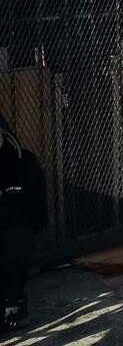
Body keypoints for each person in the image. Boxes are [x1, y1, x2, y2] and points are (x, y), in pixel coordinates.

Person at [1, 114, 47, 332]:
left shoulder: (25, 163)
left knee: (18, 238)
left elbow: (37, 212)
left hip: (12, 232)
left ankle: (13, 304)